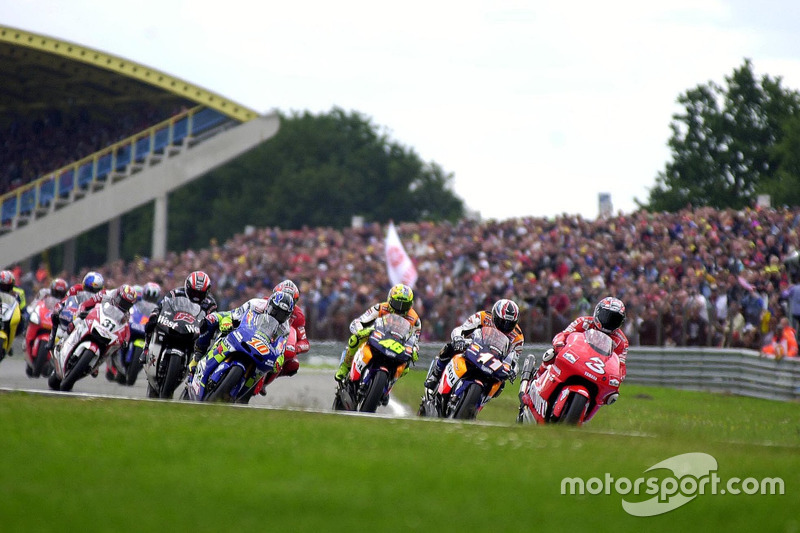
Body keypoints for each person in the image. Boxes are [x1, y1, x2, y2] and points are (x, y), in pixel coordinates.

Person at [521, 296, 629, 393]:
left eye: (614, 319)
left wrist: (618, 377)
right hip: (576, 357)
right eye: (606, 316)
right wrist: (559, 345)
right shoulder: (584, 322)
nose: (608, 322)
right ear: (598, 312)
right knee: (551, 353)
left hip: (597, 369)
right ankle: (536, 379)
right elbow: (564, 334)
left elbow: (620, 365)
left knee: (611, 394)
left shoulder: (621, 341)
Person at [188, 290, 295, 377]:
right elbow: (234, 314)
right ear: (270, 305)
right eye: (275, 311)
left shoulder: (285, 328)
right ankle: (197, 356)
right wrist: (227, 322)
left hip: (260, 346)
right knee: (210, 320)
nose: (277, 316)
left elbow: (280, 348)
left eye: (282, 315)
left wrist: (279, 361)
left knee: (266, 369)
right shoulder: (255, 304)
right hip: (242, 331)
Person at [423, 298, 523, 390]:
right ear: (494, 316)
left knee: (501, 383)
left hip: (495, 361)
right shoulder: (483, 316)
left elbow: (513, 360)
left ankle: (480, 401)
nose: (505, 327)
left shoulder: (518, 337)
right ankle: (435, 375)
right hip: (475, 347)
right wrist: (458, 338)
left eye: (510, 324)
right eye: (502, 322)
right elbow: (461, 329)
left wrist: (513, 370)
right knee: (451, 347)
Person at [335, 283, 421, 382]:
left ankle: (388, 382)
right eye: (397, 304)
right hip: (377, 336)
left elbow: (415, 340)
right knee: (354, 340)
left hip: (398, 344)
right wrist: (361, 331)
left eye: (404, 305)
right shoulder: (380, 308)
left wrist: (414, 350)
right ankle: (345, 367)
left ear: (410, 304)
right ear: (390, 299)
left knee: (406, 366)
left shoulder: (415, 320)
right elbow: (358, 321)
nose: (400, 308)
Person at [141, 271, 216, 364]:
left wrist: (208, 325)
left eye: (200, 294)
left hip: (194, 327)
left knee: (209, 339)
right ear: (187, 287)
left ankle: (197, 365)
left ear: (207, 292)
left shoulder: (210, 303)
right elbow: (162, 305)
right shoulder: (175, 293)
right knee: (153, 316)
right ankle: (146, 348)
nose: (196, 297)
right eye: (194, 292)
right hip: (174, 321)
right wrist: (159, 313)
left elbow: (213, 318)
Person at [252, 280, 310, 395]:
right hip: (256, 335)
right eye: (281, 296)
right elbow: (246, 314)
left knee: (293, 363)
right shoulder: (262, 302)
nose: (284, 302)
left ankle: (265, 382)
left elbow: (305, 342)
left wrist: (295, 348)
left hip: (278, 344)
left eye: (290, 300)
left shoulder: (297, 315)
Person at [46, 271, 105, 352]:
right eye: (88, 289)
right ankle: (51, 339)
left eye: (94, 291)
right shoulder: (76, 288)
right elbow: (65, 300)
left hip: (89, 318)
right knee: (55, 315)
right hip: (74, 312)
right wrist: (60, 307)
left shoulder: (102, 296)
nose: (90, 293)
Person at [0, 270, 24, 360]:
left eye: (7, 286)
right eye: (2, 285)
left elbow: (21, 306)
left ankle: (9, 342)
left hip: (7, 313)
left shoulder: (17, 293)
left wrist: (22, 312)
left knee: (22, 321)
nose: (4, 288)